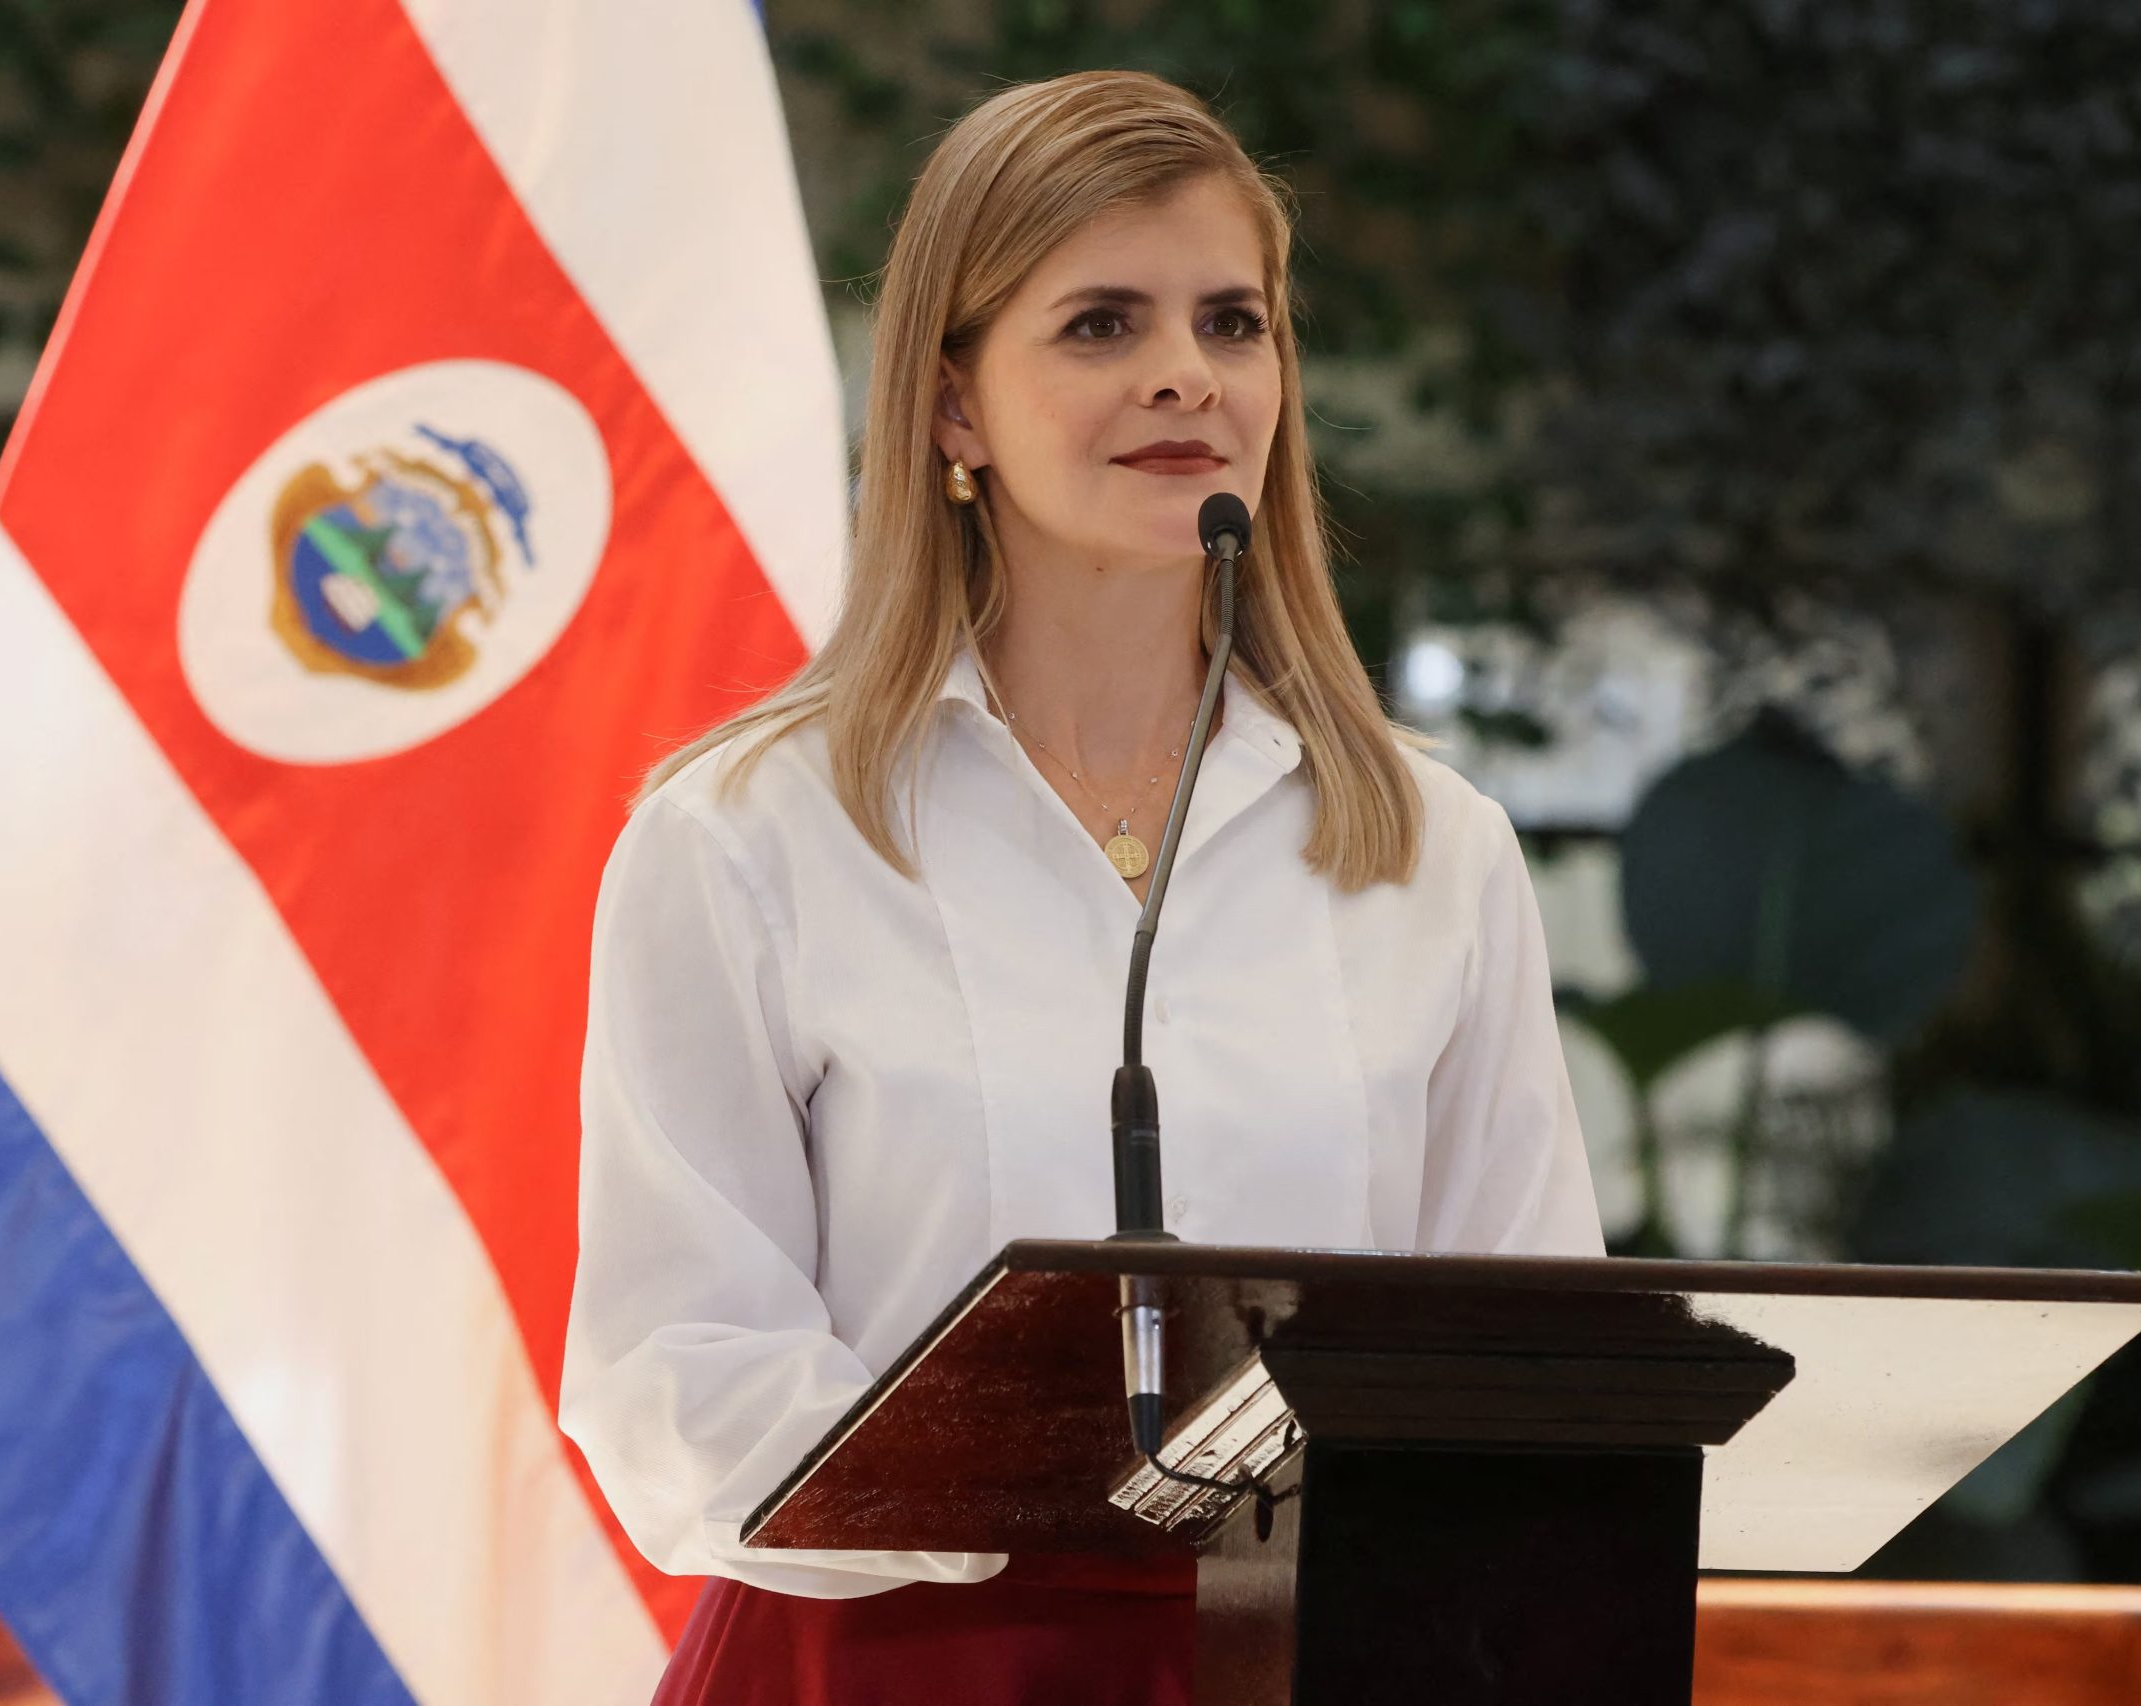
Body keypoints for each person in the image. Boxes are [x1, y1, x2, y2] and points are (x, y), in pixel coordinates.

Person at [559, 67, 1604, 1706]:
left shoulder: (1430, 840)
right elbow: (671, 1370)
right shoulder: (745, 832)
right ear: (955, 408)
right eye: (1104, 323)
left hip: (1326, 1655)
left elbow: (1536, 1347)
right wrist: (1031, 1474)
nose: (1188, 374)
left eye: (1234, 322)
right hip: (896, 1662)